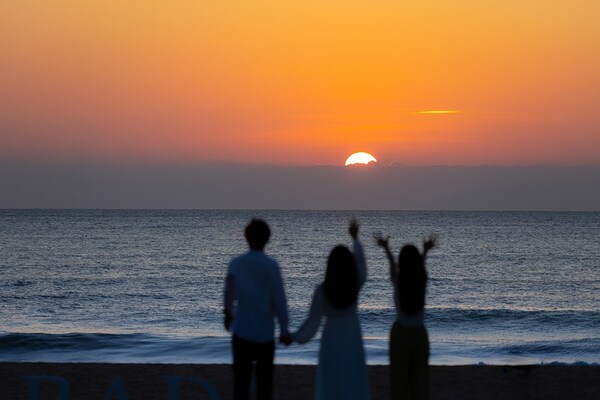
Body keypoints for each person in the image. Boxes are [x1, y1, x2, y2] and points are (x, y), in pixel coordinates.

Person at [292, 220, 370, 400]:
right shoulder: (355, 283)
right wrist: (356, 239)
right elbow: (362, 266)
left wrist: (294, 336)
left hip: (332, 335)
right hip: (352, 334)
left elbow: (311, 324)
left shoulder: (323, 290)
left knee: (331, 380)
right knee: (353, 378)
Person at [224, 218, 291, 400]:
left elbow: (228, 294)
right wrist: (284, 328)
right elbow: (279, 300)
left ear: (246, 237)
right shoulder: (271, 266)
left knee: (241, 385)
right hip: (264, 334)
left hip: (242, 331)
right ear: (267, 239)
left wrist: (228, 315)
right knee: (264, 386)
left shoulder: (236, 264)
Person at [375, 233, 436, 400]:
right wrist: (425, 251)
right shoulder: (421, 279)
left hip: (400, 333)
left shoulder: (398, 279)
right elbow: (420, 267)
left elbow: (392, 265)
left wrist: (386, 247)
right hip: (419, 334)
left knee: (398, 381)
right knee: (420, 382)